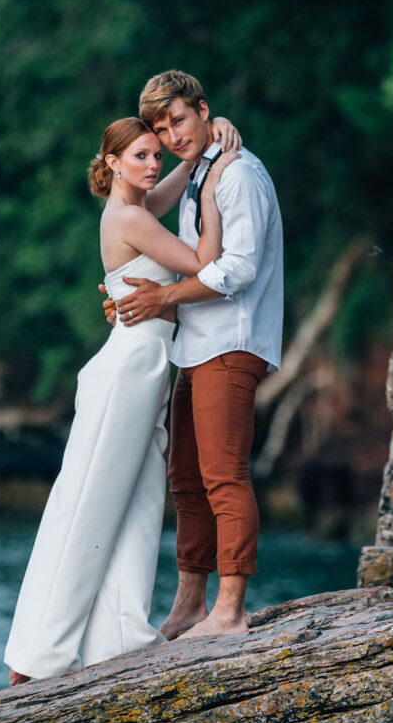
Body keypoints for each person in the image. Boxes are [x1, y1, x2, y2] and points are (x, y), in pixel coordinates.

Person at [4, 114, 239, 683]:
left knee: (137, 502)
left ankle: (119, 636)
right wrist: (215, 178)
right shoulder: (129, 216)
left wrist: (203, 147)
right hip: (129, 366)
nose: (152, 163)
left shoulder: (140, 206)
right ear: (112, 163)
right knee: (88, 502)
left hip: (151, 366)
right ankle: (36, 657)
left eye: (156, 155)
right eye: (140, 156)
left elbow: (170, 184)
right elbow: (206, 265)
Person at [112, 71, 284, 640]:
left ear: (203, 109)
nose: (172, 136)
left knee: (224, 478)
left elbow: (238, 268)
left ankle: (230, 611)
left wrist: (163, 296)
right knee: (185, 479)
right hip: (196, 344)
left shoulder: (240, 174)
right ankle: (190, 606)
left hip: (232, 343)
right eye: (162, 130)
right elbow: (186, 253)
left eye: (179, 121)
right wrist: (145, 302)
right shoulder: (202, 170)